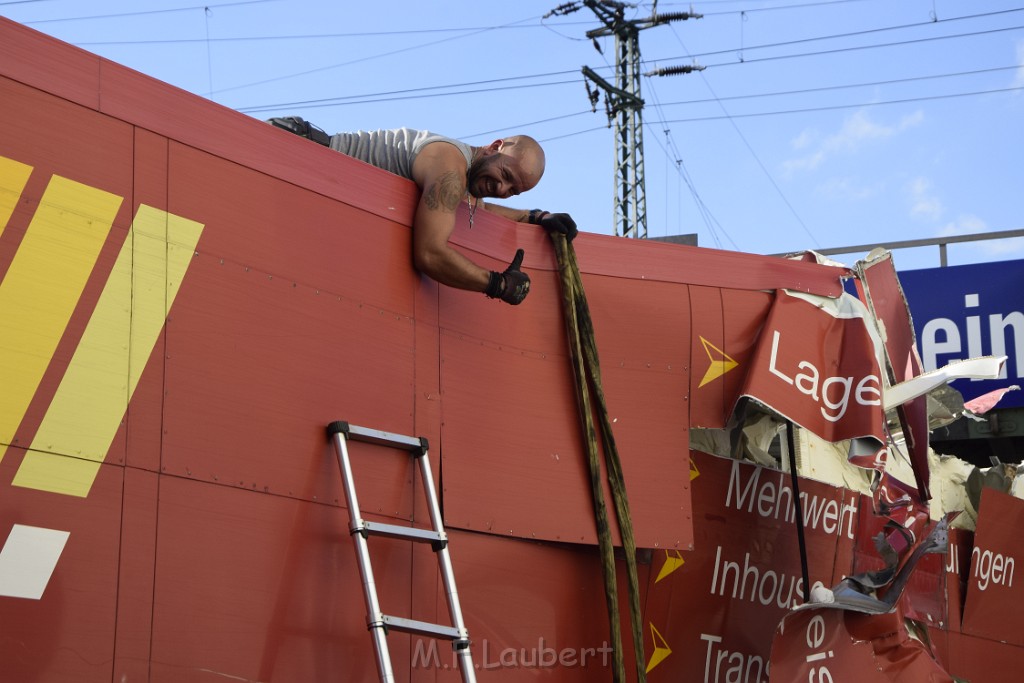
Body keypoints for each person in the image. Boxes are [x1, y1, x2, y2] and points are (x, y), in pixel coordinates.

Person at [267, 117, 577, 305]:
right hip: (292, 155)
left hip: (305, 170)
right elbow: (429, 254)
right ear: (495, 146)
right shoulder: (450, 167)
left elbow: (480, 208)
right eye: (506, 177)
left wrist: (536, 217)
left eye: (513, 191)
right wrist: (498, 284)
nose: (502, 190)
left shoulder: (463, 176)